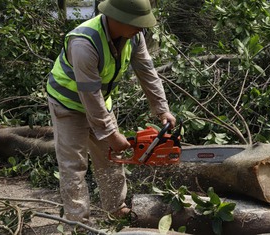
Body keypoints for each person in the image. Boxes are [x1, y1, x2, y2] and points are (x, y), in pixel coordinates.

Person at [46, 0, 176, 223]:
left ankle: (115, 209)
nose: (141, 27)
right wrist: (111, 134)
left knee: (112, 159)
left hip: (100, 104)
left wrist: (162, 109)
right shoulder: (83, 43)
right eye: (137, 22)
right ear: (117, 18)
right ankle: (78, 223)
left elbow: (147, 71)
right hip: (67, 105)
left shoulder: (135, 36)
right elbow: (89, 95)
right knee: (74, 166)